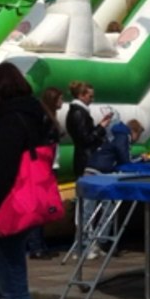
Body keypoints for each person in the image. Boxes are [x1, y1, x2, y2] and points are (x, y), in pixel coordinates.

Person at [0, 62, 54, 299]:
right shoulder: (32, 113)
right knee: (13, 278)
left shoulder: (10, 120)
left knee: (12, 285)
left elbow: (4, 173)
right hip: (24, 202)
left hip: (10, 207)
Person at [65, 80, 111, 258]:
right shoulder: (78, 113)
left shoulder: (78, 113)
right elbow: (86, 139)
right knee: (87, 206)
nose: (92, 99)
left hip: (85, 160)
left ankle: (89, 242)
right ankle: (84, 245)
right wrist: (101, 128)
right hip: (86, 162)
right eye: (90, 96)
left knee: (90, 205)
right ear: (81, 95)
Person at [25, 86, 65, 261]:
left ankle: (39, 244)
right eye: (60, 99)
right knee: (38, 207)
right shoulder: (45, 118)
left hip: (48, 164)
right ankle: (36, 246)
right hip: (44, 166)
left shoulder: (49, 117)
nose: (62, 102)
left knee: (43, 208)